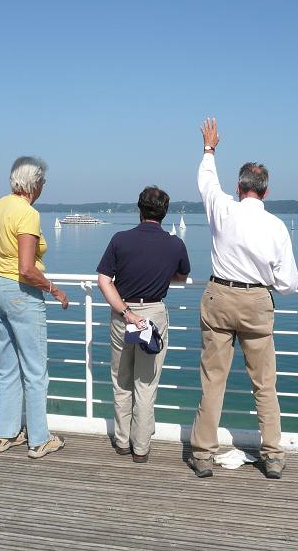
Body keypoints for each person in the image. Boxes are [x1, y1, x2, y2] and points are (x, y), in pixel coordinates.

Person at [187, 118, 298, 480]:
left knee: (213, 381)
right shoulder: (276, 227)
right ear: (266, 192)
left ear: (238, 188)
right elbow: (288, 283)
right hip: (256, 302)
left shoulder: (223, 209)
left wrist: (209, 148)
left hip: (220, 297)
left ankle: (203, 455)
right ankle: (273, 455)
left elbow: (206, 182)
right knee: (264, 385)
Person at [0, 156, 69, 459]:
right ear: (35, 183)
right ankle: (39, 440)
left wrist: (4, 260)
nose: (44, 186)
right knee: (35, 370)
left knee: (7, 365)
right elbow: (27, 269)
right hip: (21, 294)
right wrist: (55, 290)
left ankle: (4, 434)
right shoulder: (28, 213)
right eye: (43, 182)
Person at [97, 186, 190, 463]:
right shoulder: (175, 244)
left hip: (122, 313)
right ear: (164, 213)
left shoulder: (120, 240)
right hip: (153, 316)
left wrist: (126, 312)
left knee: (121, 380)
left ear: (139, 209)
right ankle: (140, 447)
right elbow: (182, 276)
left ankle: (122, 441)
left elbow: (104, 280)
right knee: (145, 384)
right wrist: (159, 275)